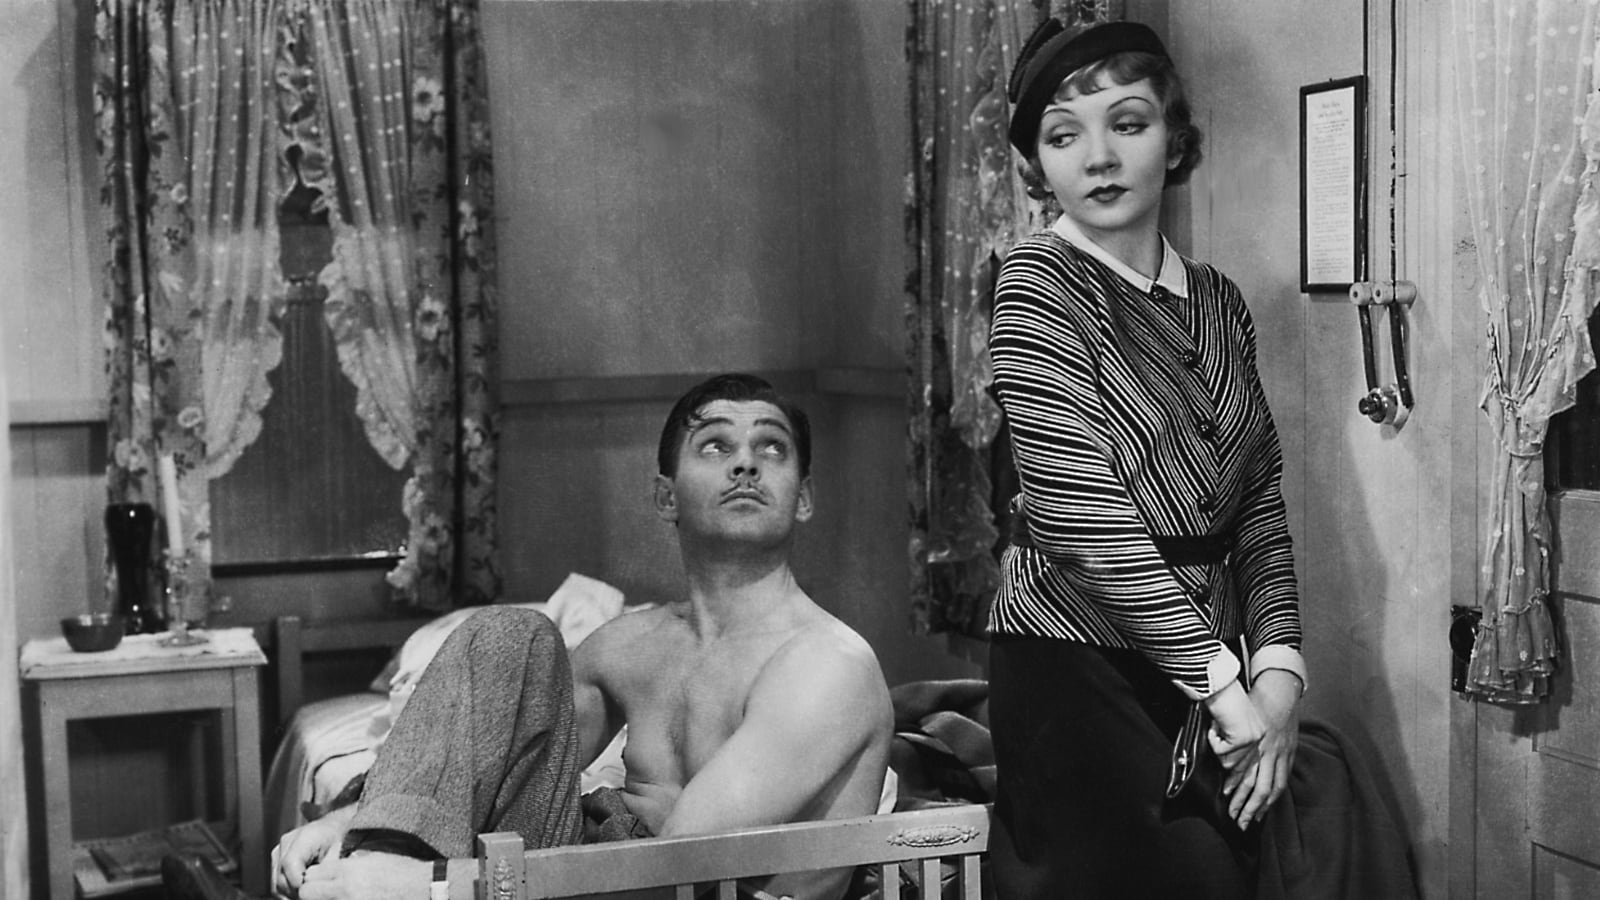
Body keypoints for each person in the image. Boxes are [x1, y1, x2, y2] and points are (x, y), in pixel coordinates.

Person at [169, 373, 893, 900]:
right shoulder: (634, 645)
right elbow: (485, 746)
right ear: (665, 496)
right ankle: (373, 854)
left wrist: (436, 887)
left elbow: (678, 866)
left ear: (803, 498)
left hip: (683, 888)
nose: (745, 463)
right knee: (510, 635)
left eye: (772, 448)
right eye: (715, 445)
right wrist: (353, 816)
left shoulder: (826, 664)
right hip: (596, 874)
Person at [983, 18, 1309, 898]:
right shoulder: (1036, 280)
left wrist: (1278, 675)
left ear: (1173, 138)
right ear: (1038, 165)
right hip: (1075, 670)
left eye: (1126, 124)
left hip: (1217, 674)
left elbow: (1259, 503)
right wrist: (1225, 688)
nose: (1098, 157)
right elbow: (1079, 519)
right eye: (1063, 137)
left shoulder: (1217, 300)